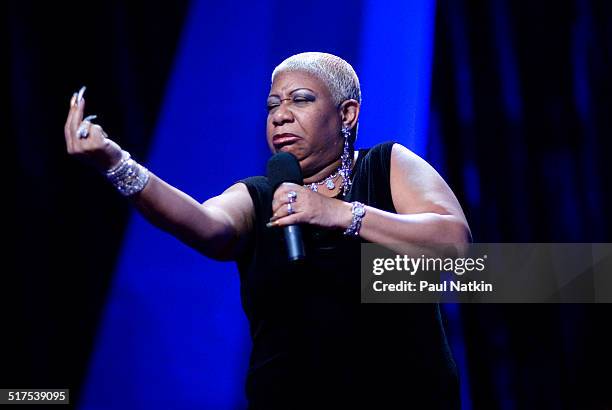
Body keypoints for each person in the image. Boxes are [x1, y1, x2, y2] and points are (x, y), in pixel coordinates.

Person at [64, 52, 471, 409]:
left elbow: (457, 247)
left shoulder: (387, 166)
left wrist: (342, 214)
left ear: (346, 114)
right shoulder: (261, 195)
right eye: (272, 104)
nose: (280, 115)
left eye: (301, 100)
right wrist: (116, 163)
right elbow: (205, 225)